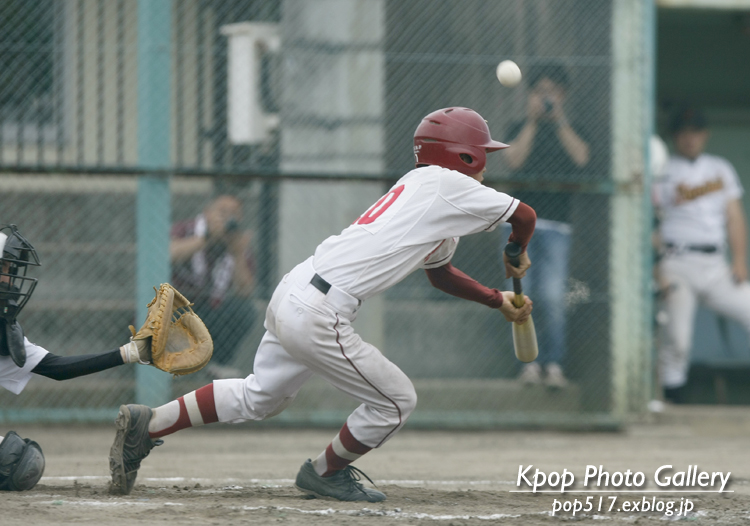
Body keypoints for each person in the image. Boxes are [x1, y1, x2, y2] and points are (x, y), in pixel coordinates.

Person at [108, 107, 537, 502]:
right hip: (321, 311)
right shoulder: (449, 186)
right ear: (463, 157)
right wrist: (516, 249)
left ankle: (150, 424)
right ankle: (326, 472)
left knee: (261, 396)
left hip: (295, 291)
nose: (485, 163)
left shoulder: (422, 191)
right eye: (482, 154)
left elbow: (440, 273)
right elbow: (525, 217)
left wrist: (497, 299)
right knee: (395, 401)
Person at [0, 224, 151, 491]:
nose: (10, 280)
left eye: (11, 271)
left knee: (18, 461)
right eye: (5, 270)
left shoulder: (3, 332)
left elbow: (57, 368)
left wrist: (130, 353)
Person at [501, 63, 590, 388]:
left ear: (563, 96)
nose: (547, 98)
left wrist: (559, 121)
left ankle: (553, 364)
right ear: (530, 96)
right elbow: (514, 160)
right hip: (520, 225)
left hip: (557, 226)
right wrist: (533, 121)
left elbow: (581, 157)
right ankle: (528, 366)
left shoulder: (572, 127)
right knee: (518, 296)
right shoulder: (518, 126)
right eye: (540, 92)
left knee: (552, 296)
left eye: (553, 92)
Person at [653, 106, 750, 403]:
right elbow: (651, 224)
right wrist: (660, 273)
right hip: (677, 263)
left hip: (716, 265)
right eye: (683, 132)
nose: (690, 138)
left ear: (705, 135)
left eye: (695, 131)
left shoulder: (719, 167)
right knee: (678, 340)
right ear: (674, 137)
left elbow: (734, 216)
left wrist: (739, 261)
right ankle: (673, 401)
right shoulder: (662, 169)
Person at [170, 194, 256, 379]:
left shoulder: (237, 242)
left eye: (234, 214)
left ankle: (218, 364)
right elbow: (169, 254)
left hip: (212, 308)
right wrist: (206, 238)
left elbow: (245, 290)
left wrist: (238, 254)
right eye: (222, 212)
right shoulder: (187, 229)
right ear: (207, 213)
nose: (228, 218)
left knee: (245, 310)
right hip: (177, 305)